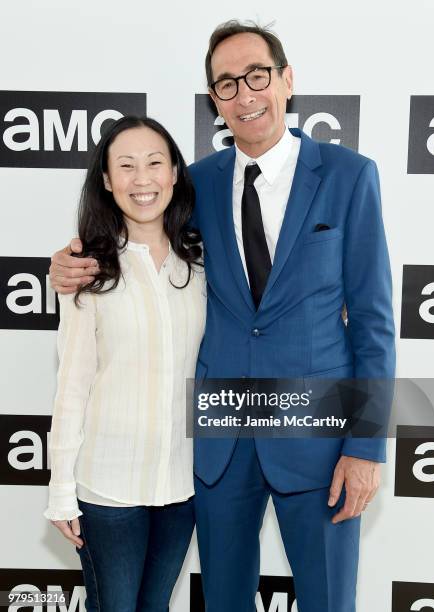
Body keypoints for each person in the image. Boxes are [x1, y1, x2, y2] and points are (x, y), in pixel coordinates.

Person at [49, 20, 395, 612]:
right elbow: (136, 234)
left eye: (256, 75)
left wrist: (366, 446)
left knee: (328, 600)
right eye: (227, 84)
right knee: (224, 599)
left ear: (287, 80)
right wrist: (68, 262)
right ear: (215, 100)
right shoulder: (199, 185)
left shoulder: (348, 176)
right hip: (220, 441)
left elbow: (373, 321)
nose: (245, 94)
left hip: (317, 436)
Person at [45, 115, 206, 612]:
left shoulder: (200, 261)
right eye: (127, 166)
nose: (143, 179)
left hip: (182, 484)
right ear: (108, 181)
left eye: (155, 163)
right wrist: (61, 490)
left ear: (175, 172)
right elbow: (72, 386)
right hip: (108, 487)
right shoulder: (89, 269)